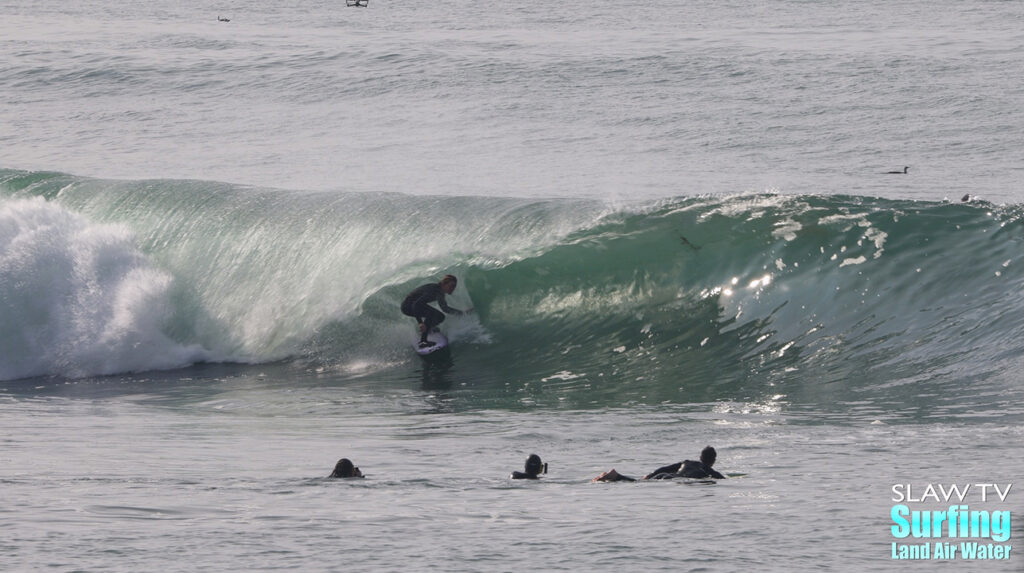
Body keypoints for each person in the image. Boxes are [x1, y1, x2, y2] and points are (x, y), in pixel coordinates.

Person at [401, 275, 468, 348]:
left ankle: (428, 329)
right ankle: (423, 341)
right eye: (451, 286)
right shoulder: (434, 290)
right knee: (431, 313)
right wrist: (420, 322)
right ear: (444, 284)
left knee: (440, 317)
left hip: (416, 305)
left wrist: (461, 313)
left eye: (454, 286)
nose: (453, 288)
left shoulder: (440, 293)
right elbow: (415, 304)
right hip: (407, 306)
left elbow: (445, 308)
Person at [592, 446, 726, 482]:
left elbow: (665, 468)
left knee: (640, 482)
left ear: (700, 456)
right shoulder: (708, 470)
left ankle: (614, 477)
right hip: (672, 479)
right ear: (713, 460)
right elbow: (722, 479)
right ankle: (615, 476)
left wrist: (650, 475)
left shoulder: (687, 462)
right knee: (638, 485)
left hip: (664, 475)